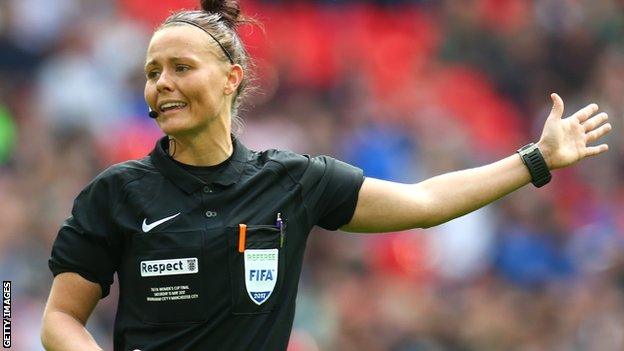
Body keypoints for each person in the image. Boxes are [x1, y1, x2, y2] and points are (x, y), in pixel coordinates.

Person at [40, 0, 612, 350]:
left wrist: (534, 159)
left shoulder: (293, 181)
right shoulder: (115, 193)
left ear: (231, 78)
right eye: (151, 71)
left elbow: (423, 202)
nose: (160, 83)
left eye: (180, 68)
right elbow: (58, 318)